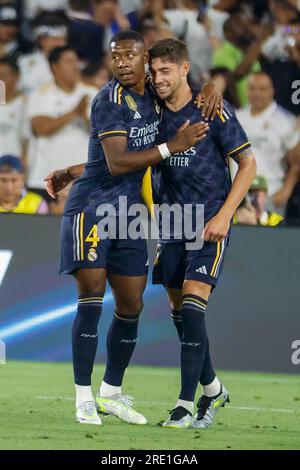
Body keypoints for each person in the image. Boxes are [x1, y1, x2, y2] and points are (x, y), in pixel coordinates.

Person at [45, 30, 212, 426]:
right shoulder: (108, 100)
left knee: (131, 304)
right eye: (115, 56)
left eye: (129, 56)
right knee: (91, 298)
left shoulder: (156, 95)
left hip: (130, 216)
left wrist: (213, 89)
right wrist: (175, 146)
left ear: (146, 60)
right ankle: (83, 397)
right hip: (91, 211)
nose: (121, 63)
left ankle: (111, 393)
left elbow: (185, 86)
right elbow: (118, 163)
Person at [148, 38, 256, 429]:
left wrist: (227, 215)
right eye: (154, 71)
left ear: (183, 69)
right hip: (172, 223)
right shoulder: (150, 111)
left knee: (193, 304)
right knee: (181, 313)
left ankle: (185, 404)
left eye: (165, 71)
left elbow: (247, 163)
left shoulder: (213, 109)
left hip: (210, 221)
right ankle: (213, 390)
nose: (158, 79)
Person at [27, 46, 98, 200]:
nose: (75, 66)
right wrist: (74, 113)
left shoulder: (92, 93)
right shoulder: (41, 93)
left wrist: (84, 117)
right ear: (55, 66)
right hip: (47, 177)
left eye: (76, 61)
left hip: (81, 177)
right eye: (69, 61)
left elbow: (100, 132)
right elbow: (40, 128)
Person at [236, 72, 300, 212]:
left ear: (272, 90)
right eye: (252, 88)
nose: (257, 94)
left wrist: (286, 190)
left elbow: (297, 161)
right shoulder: (236, 117)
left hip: (271, 194)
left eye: (263, 89)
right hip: (237, 196)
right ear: (246, 90)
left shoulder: (285, 120)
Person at [18, 10, 69, 95]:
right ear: (42, 40)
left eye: (64, 40)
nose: (62, 44)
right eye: (56, 40)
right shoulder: (23, 63)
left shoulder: (74, 64)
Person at [0, 58, 29, 164]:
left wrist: (24, 165)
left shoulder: (25, 104)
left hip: (15, 168)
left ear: (17, 76)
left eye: (4, 75)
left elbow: (26, 140)